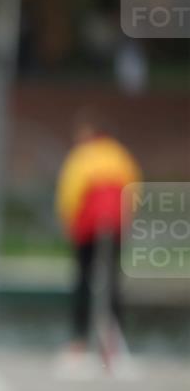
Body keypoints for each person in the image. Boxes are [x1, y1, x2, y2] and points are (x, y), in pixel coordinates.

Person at [55, 106, 141, 358]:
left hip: (87, 224)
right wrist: (128, 219)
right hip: (114, 224)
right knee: (112, 281)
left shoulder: (81, 156)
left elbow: (70, 192)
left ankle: (79, 340)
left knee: (83, 279)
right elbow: (134, 190)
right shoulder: (120, 155)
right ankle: (114, 342)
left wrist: (67, 221)